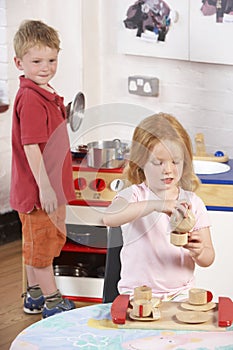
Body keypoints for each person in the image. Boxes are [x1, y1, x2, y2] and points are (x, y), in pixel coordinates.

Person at [103, 113, 215, 300]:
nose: (168, 169)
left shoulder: (193, 202)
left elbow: (209, 257)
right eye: (158, 162)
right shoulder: (134, 195)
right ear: (140, 163)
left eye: (175, 161)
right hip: (137, 294)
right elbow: (109, 218)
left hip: (181, 294)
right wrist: (157, 205)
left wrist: (200, 251)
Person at [10, 20, 76, 318]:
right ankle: (52, 300)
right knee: (43, 248)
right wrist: (46, 187)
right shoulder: (31, 98)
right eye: (36, 61)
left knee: (36, 243)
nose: (45, 67)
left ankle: (34, 295)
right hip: (40, 191)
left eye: (52, 59)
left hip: (42, 188)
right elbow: (31, 147)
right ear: (19, 62)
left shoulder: (43, 92)